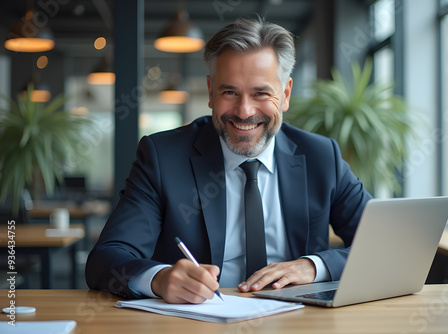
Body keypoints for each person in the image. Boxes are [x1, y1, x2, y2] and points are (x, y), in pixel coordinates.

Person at [85, 17, 372, 304]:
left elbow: (388, 246)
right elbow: (106, 258)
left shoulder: (322, 156)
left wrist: (314, 266)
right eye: (229, 92)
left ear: (285, 95)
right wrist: (159, 279)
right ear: (211, 92)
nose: (244, 111)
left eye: (261, 93)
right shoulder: (162, 157)